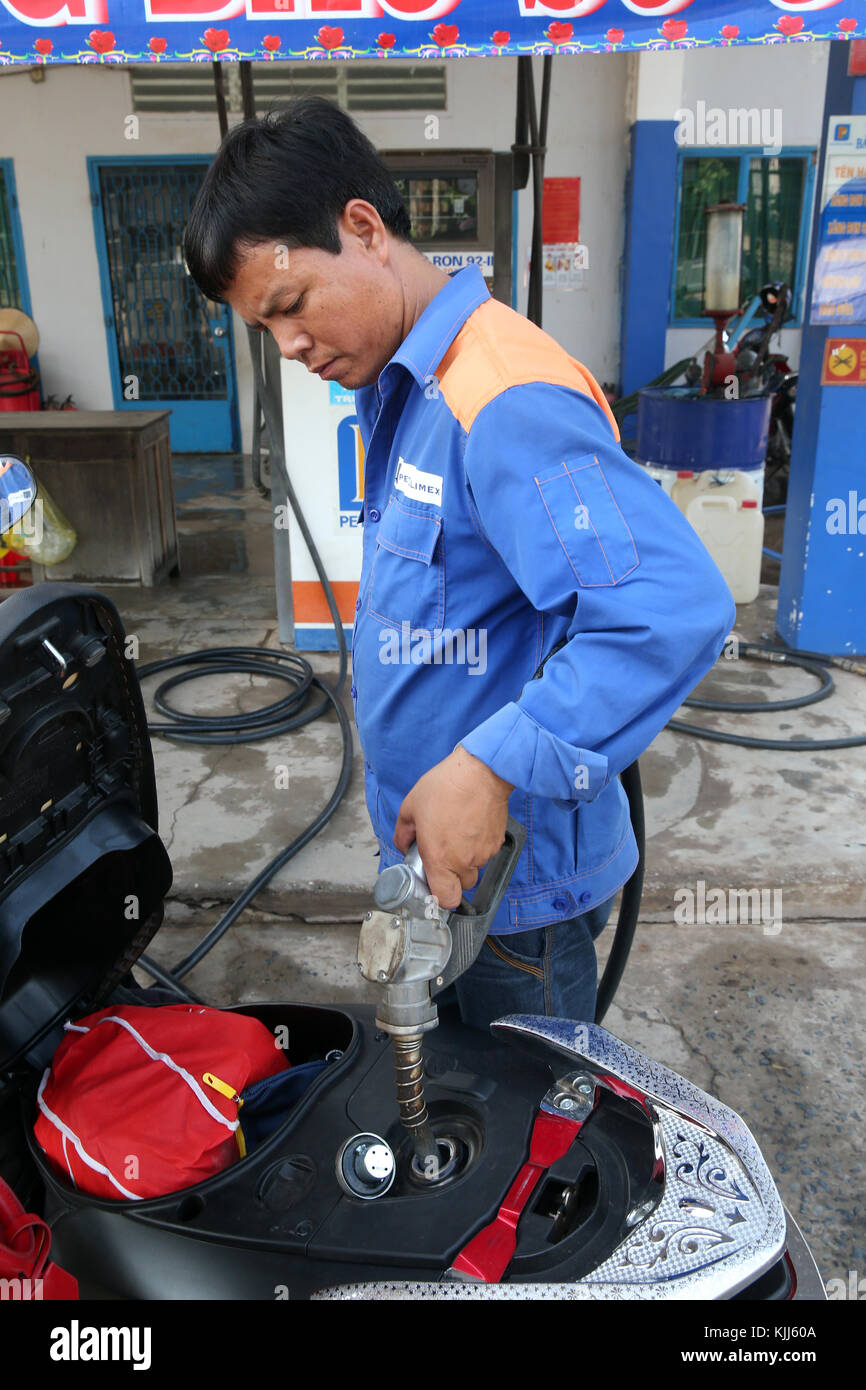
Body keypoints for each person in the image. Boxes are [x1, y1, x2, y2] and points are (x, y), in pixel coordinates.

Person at [182, 97, 736, 1030]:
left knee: (529, 1152)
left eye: (291, 307)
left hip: (515, 899)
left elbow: (667, 608)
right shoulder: (412, 386)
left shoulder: (502, 397)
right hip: (450, 872)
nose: (292, 348)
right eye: (264, 330)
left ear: (363, 228)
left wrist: (490, 768)